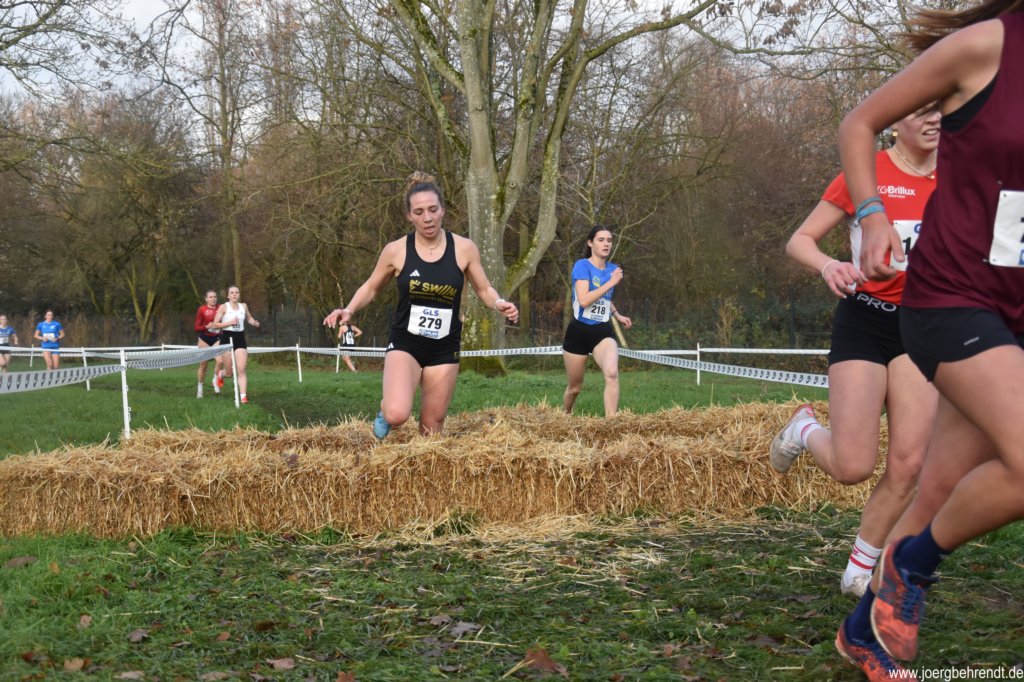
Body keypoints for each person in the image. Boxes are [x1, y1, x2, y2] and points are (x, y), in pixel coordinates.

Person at [830, 3, 1024, 679]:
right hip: (949, 296)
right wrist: (872, 212)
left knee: (937, 488)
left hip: (1015, 310)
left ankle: (862, 633)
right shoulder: (984, 48)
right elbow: (859, 124)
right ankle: (909, 566)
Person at [770, 107, 941, 599]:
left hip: (922, 328)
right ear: (895, 121)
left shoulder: (961, 178)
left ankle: (858, 571)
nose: (933, 119)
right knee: (852, 467)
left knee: (909, 465)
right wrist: (828, 266)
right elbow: (800, 241)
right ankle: (804, 428)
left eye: (940, 109)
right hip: (865, 321)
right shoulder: (866, 173)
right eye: (921, 111)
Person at [323, 171, 519, 439]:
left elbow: (483, 288)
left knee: (431, 429)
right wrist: (348, 310)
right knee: (397, 414)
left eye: (433, 210)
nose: (427, 218)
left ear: (442, 210)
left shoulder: (464, 249)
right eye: (419, 212)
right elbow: (371, 287)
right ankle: (385, 411)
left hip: (444, 346)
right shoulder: (396, 250)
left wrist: (498, 303)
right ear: (409, 216)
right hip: (407, 343)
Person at [561, 226, 633, 416]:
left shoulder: (612, 269)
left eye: (609, 240)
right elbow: (584, 300)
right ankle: (565, 415)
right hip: (578, 332)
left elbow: (604, 298)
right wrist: (611, 282)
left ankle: (611, 424)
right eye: (601, 240)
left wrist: (617, 314)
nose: (606, 244)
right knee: (574, 388)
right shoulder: (582, 266)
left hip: (602, 332)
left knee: (612, 373)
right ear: (590, 243)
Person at [210, 285, 260, 404]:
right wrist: (229, 323)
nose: (234, 294)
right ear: (228, 295)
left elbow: (249, 318)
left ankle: (243, 397)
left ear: (239, 295)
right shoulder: (223, 307)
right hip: (226, 338)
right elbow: (215, 324)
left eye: (236, 292)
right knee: (229, 373)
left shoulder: (244, 306)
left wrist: (254, 322)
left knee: (241, 369)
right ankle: (221, 374)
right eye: (232, 293)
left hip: (240, 338)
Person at [194, 289, 225, 399]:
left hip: (217, 338)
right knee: (203, 364)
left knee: (220, 361)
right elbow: (196, 327)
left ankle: (215, 379)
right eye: (211, 297)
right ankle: (200, 389)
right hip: (204, 339)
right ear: (206, 299)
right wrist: (206, 327)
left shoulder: (221, 308)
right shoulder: (202, 309)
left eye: (215, 297)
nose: (213, 299)